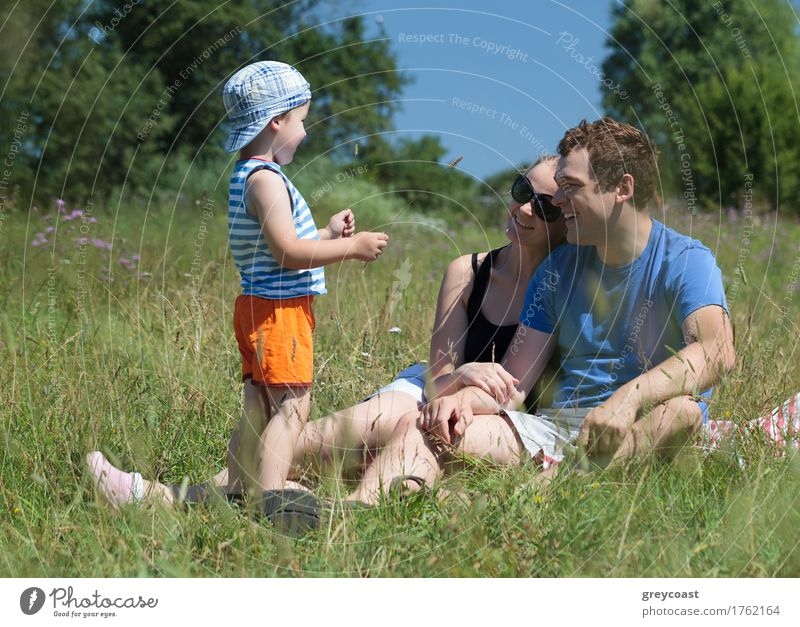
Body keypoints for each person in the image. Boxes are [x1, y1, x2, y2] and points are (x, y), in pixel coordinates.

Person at [87, 156, 566, 509]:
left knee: (404, 429)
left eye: (544, 209)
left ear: (565, 225)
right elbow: (439, 377)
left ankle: (260, 506)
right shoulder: (468, 271)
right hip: (432, 386)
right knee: (330, 434)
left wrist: (464, 391)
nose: (524, 210)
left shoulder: (564, 287)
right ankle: (177, 496)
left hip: (495, 418)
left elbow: (515, 392)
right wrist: (461, 375)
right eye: (522, 191)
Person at [347, 117, 737, 504]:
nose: (558, 199)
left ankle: (547, 490)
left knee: (682, 412)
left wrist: (627, 400)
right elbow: (514, 385)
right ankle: (359, 511)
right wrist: (462, 401)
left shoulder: (685, 261)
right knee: (429, 427)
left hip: (646, 423)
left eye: (570, 188)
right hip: (558, 430)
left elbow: (716, 350)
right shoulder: (557, 270)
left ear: (623, 188)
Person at [88, 61, 389, 505]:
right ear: (277, 120)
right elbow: (287, 253)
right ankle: (271, 499)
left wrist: (325, 235)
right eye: (301, 121)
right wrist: (353, 248)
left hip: (257, 306)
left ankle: (236, 488)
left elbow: (280, 246)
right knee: (292, 407)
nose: (305, 133)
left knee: (258, 407)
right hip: (280, 311)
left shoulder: (248, 175)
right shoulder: (267, 181)